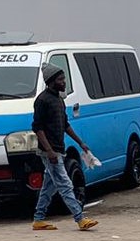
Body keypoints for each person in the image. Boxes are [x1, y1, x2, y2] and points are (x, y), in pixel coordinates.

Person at [31, 63, 99, 231]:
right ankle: (80, 218)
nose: (64, 82)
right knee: (65, 184)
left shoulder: (59, 100)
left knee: (49, 186)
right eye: (61, 79)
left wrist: (80, 142)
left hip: (58, 150)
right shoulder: (42, 100)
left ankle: (38, 219)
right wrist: (49, 151)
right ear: (52, 81)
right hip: (50, 152)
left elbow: (65, 124)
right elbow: (37, 128)